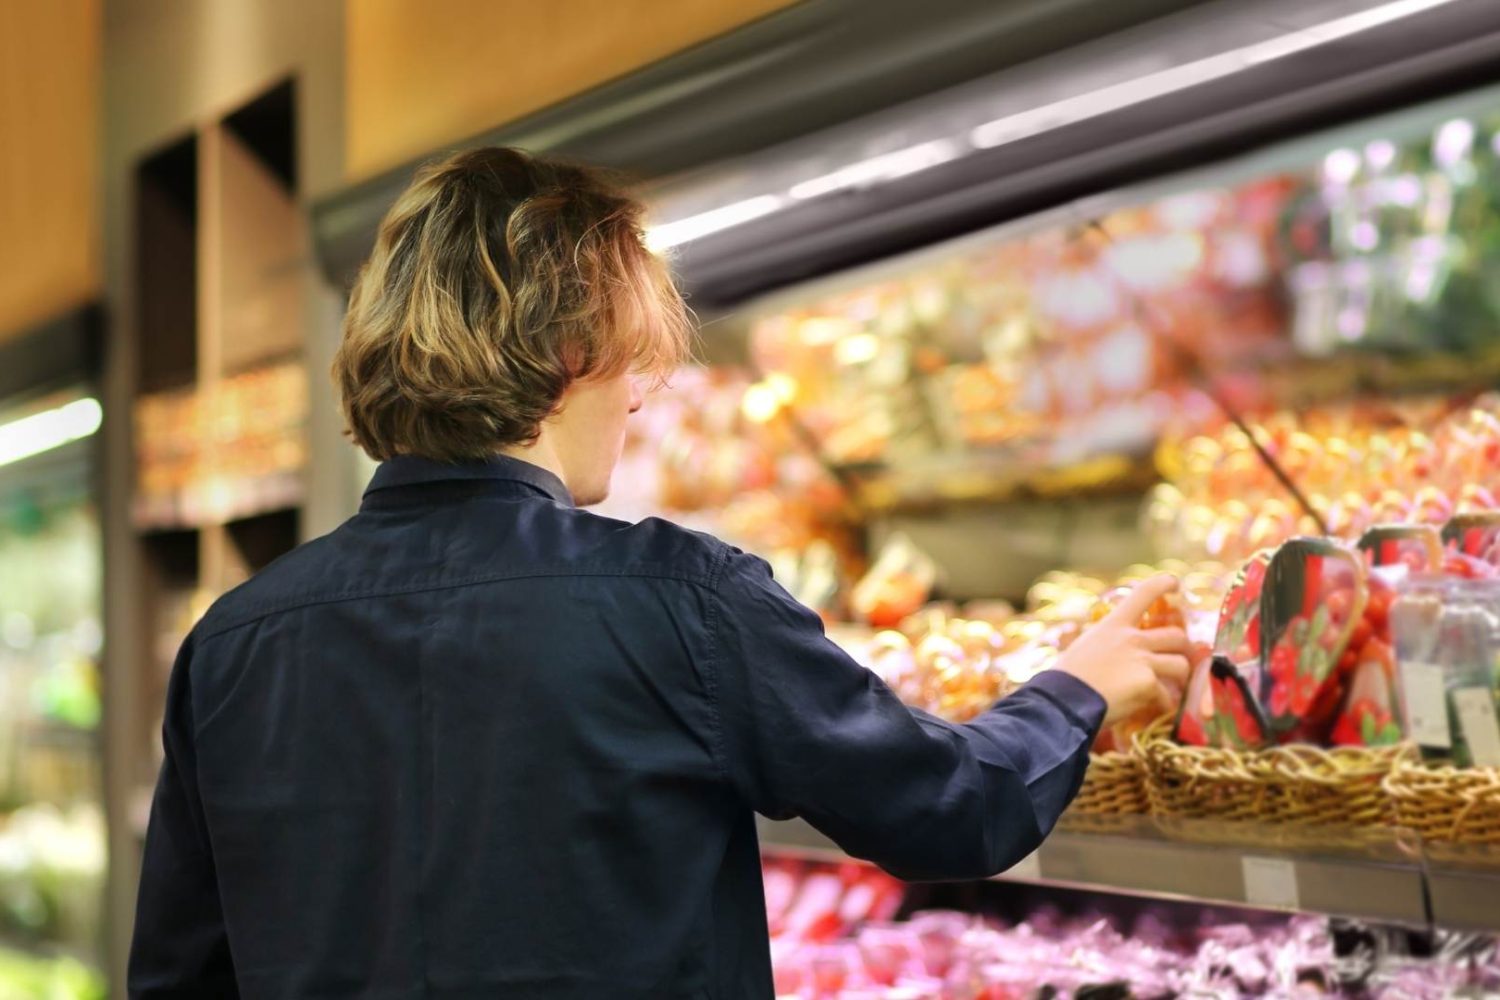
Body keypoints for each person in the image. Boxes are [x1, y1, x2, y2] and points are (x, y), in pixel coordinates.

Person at [129, 147, 1190, 999]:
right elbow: (946, 809)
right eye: (632, 360)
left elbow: (180, 974)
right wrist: (1077, 687)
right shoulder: (680, 598)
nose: (639, 402)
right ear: (566, 355)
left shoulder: (230, 643)